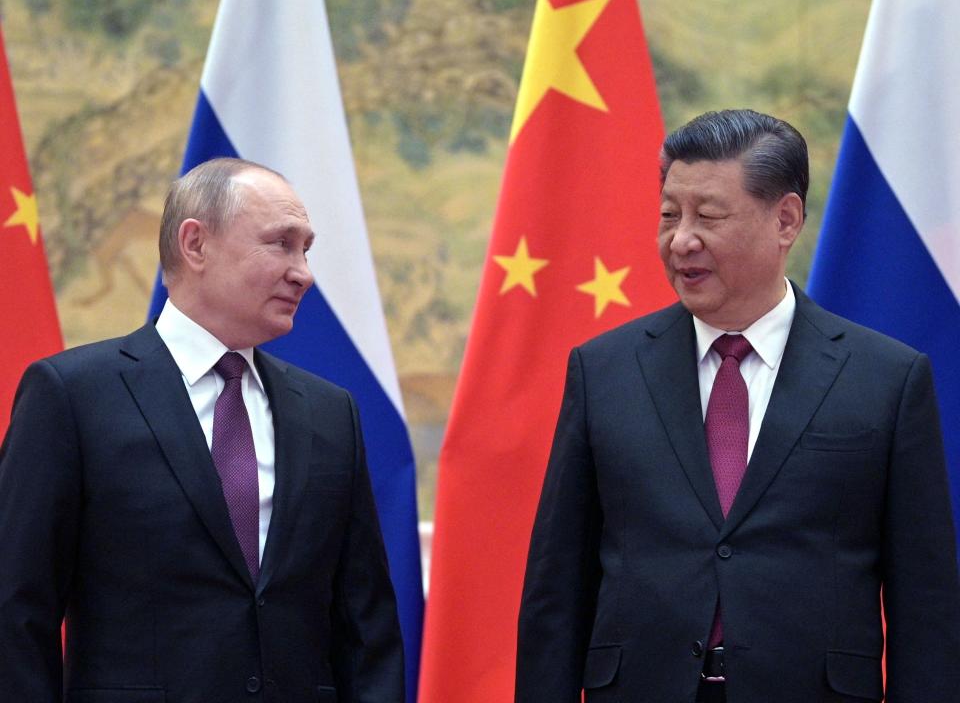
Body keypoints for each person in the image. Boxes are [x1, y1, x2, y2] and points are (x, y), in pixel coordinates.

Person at [515, 110, 960, 703]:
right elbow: (557, 585)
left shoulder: (885, 378)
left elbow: (924, 602)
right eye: (670, 215)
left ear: (785, 219)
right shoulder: (605, 371)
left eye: (710, 216)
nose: (682, 240)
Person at [0, 158, 404, 702]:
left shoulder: (330, 413)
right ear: (195, 245)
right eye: (281, 243)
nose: (303, 272)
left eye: (305, 249)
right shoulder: (72, 397)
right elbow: (16, 610)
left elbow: (366, 626)